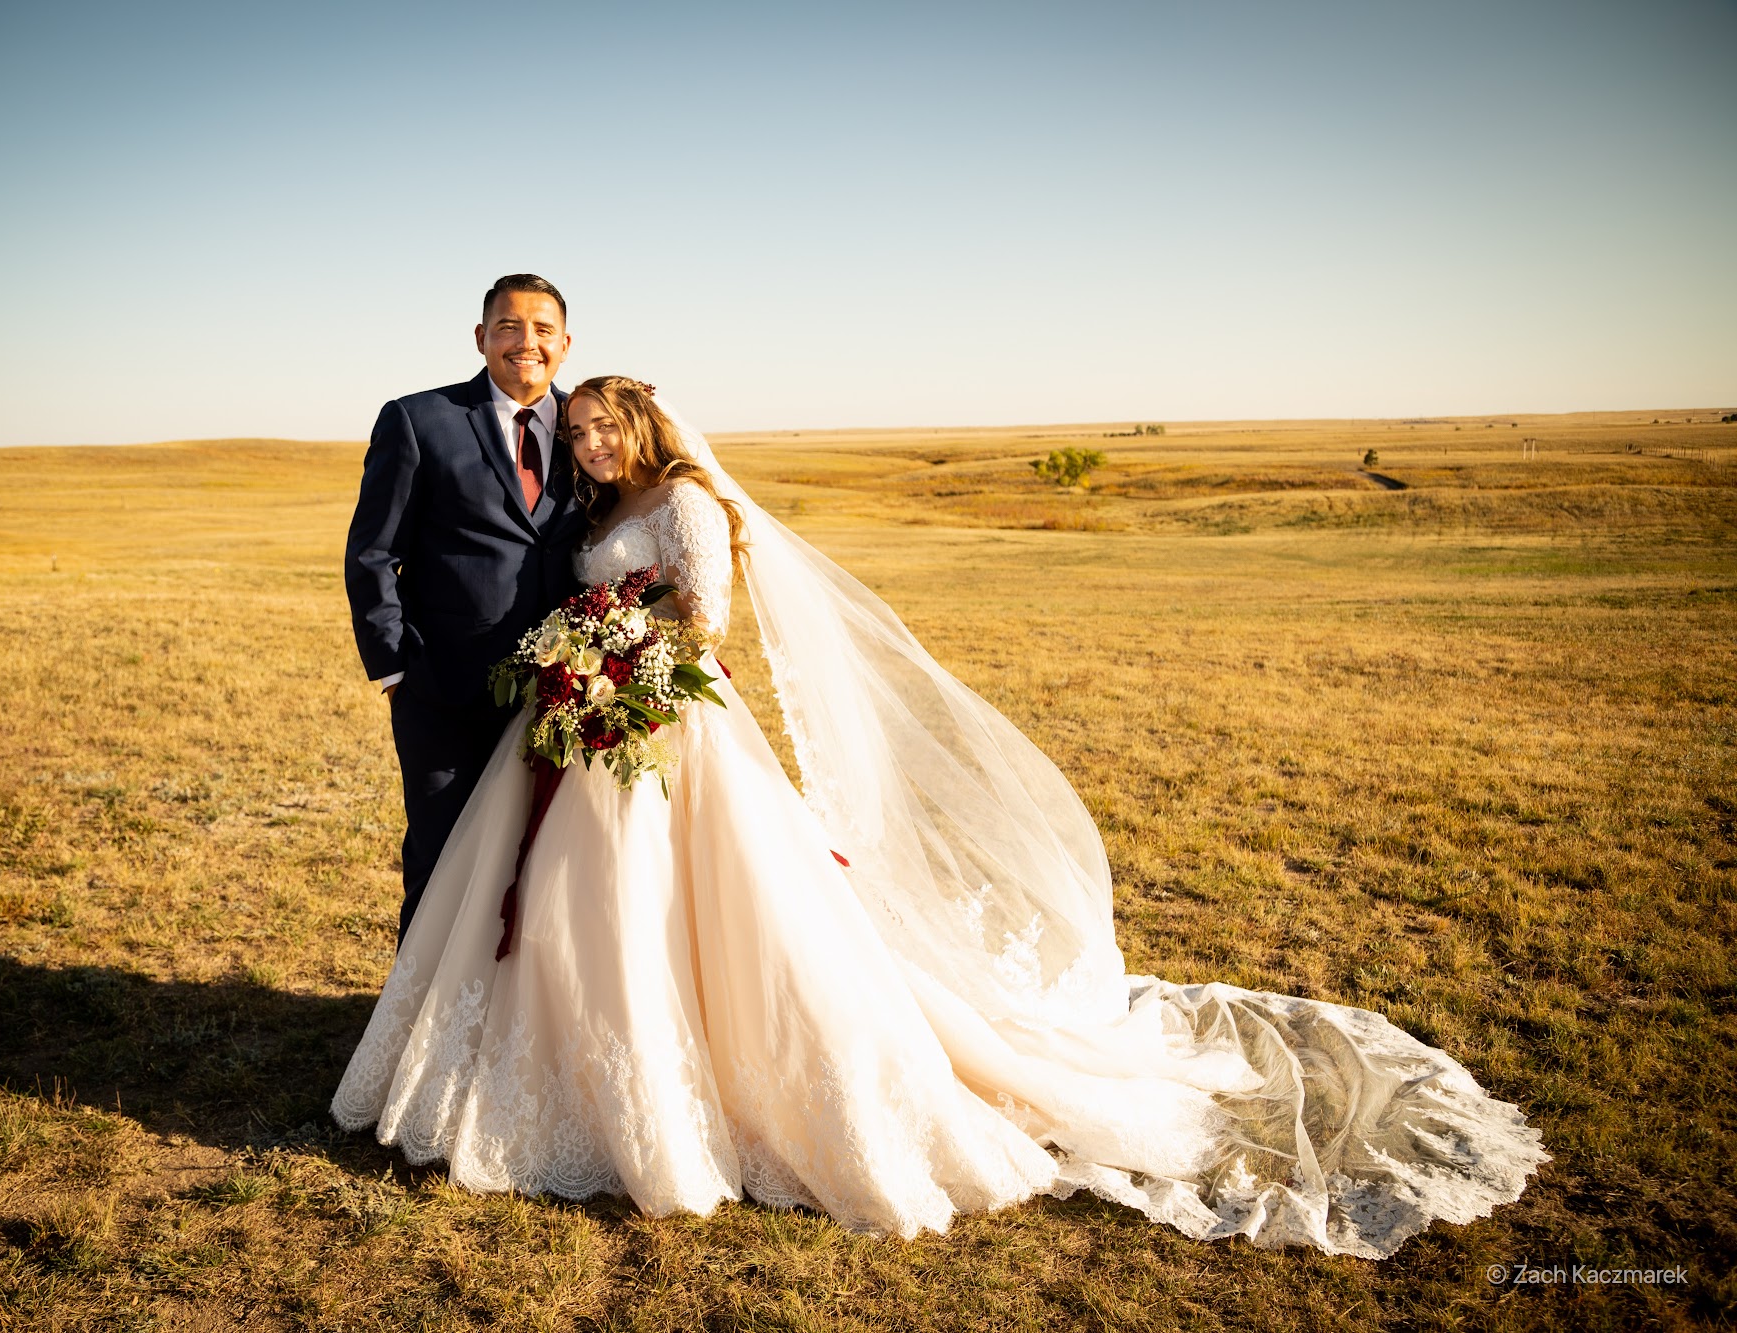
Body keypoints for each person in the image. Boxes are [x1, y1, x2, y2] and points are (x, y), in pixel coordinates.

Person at [331, 376, 1548, 1253]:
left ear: (643, 424)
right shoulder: (600, 513)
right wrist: (583, 651)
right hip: (593, 721)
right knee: (579, 906)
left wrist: (617, 650)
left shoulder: (687, 499)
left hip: (672, 726)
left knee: (708, 910)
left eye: (606, 428)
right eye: (580, 432)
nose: (590, 444)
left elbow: (705, 620)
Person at [343, 275, 588, 947]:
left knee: (542, 873)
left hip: (561, 701)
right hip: (443, 695)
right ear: (481, 338)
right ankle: (420, 1011)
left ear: (566, 344)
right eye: (508, 326)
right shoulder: (420, 419)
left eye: (542, 330)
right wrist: (395, 671)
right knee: (442, 867)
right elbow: (372, 555)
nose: (526, 342)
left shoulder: (590, 428)